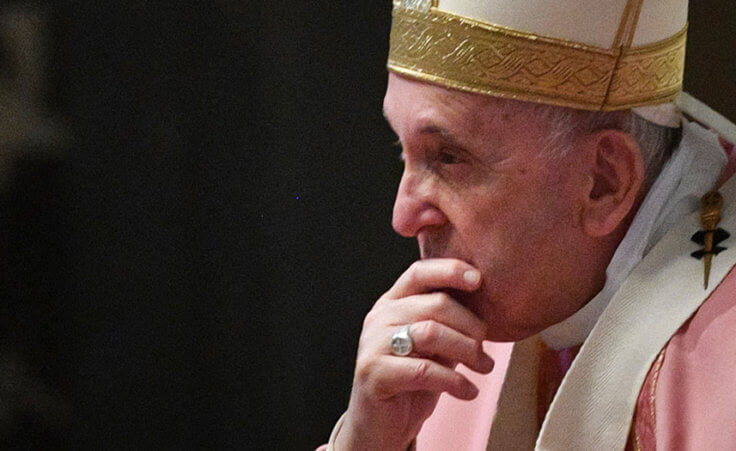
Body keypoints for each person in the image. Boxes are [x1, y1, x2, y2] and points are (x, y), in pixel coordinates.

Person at [320, 0, 736, 449]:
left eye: (448, 158)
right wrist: (367, 441)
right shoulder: (497, 310)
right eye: (404, 151)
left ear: (603, 181)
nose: (402, 217)